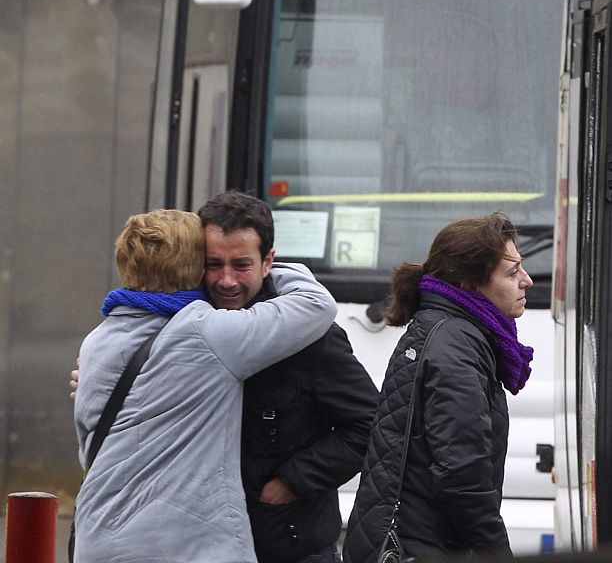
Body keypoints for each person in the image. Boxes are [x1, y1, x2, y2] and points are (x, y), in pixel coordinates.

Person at [72, 209, 337, 563]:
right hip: (184, 547)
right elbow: (316, 305)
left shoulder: (97, 340)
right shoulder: (206, 333)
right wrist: (266, 265)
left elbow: (87, 448)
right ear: (197, 268)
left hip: (99, 540)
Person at [198, 191, 379, 563]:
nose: (226, 280)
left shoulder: (310, 338)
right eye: (213, 264)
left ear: (269, 262)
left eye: (241, 265)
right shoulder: (182, 328)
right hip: (202, 545)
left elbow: (370, 424)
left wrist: (291, 483)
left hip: (292, 547)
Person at [343, 212, 534, 563]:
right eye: (512, 272)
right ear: (470, 284)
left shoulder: (451, 331)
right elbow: (463, 476)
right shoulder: (456, 345)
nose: (527, 280)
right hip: (420, 549)